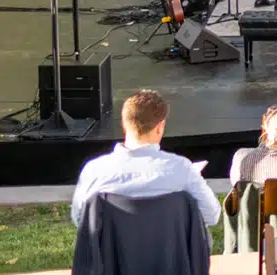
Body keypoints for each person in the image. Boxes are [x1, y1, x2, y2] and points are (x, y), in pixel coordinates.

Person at [71, 90, 220, 225]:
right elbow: (211, 216)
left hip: (113, 255)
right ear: (160, 127)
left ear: (123, 123)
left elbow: (80, 219)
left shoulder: (94, 171)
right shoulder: (182, 170)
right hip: (170, 255)